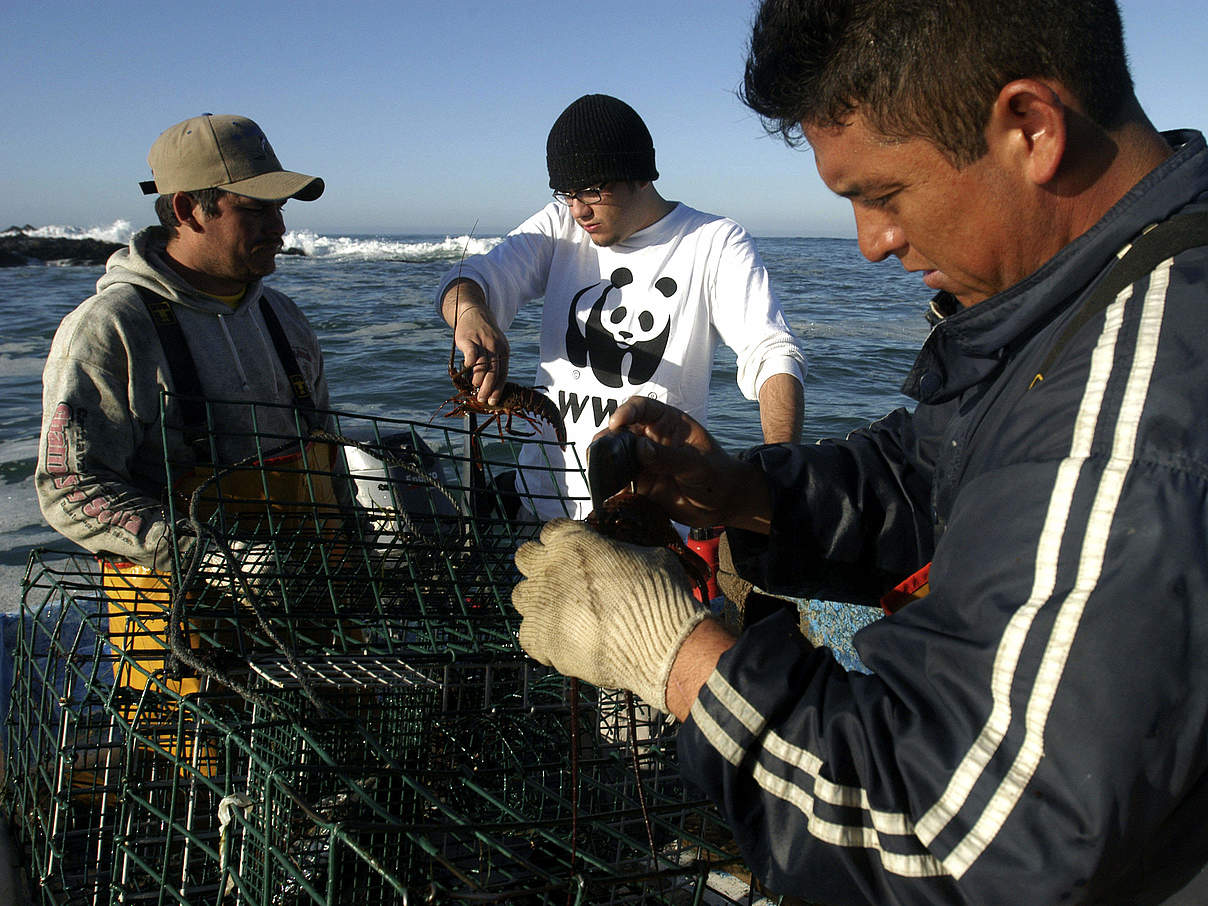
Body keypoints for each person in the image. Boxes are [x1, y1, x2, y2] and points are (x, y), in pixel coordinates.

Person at [511, 1, 1208, 903]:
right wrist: (745, 494)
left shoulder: (1145, 401)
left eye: (883, 195)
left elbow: (948, 838)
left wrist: (674, 657)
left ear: (1030, 128)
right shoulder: (1076, 302)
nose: (871, 245)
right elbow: (936, 477)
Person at [36, 114, 329, 704]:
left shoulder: (286, 319)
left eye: (281, 208)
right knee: (201, 777)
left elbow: (327, 456)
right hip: (181, 629)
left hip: (309, 611)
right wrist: (201, 553)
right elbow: (68, 487)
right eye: (256, 209)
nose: (279, 226)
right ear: (188, 210)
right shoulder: (111, 329)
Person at [436, 93, 806, 519]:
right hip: (541, 508)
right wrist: (472, 314)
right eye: (566, 193)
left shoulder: (713, 242)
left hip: (648, 521)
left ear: (641, 176)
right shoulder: (558, 227)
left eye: (592, 190)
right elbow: (468, 279)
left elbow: (772, 354)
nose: (578, 210)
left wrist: (779, 476)